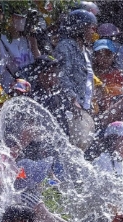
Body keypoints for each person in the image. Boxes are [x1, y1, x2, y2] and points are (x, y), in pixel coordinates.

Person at [53, 9, 98, 150]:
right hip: (68, 107)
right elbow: (61, 75)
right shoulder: (65, 46)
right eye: (91, 28)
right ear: (80, 27)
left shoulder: (87, 52)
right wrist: (72, 99)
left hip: (83, 107)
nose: (93, 33)